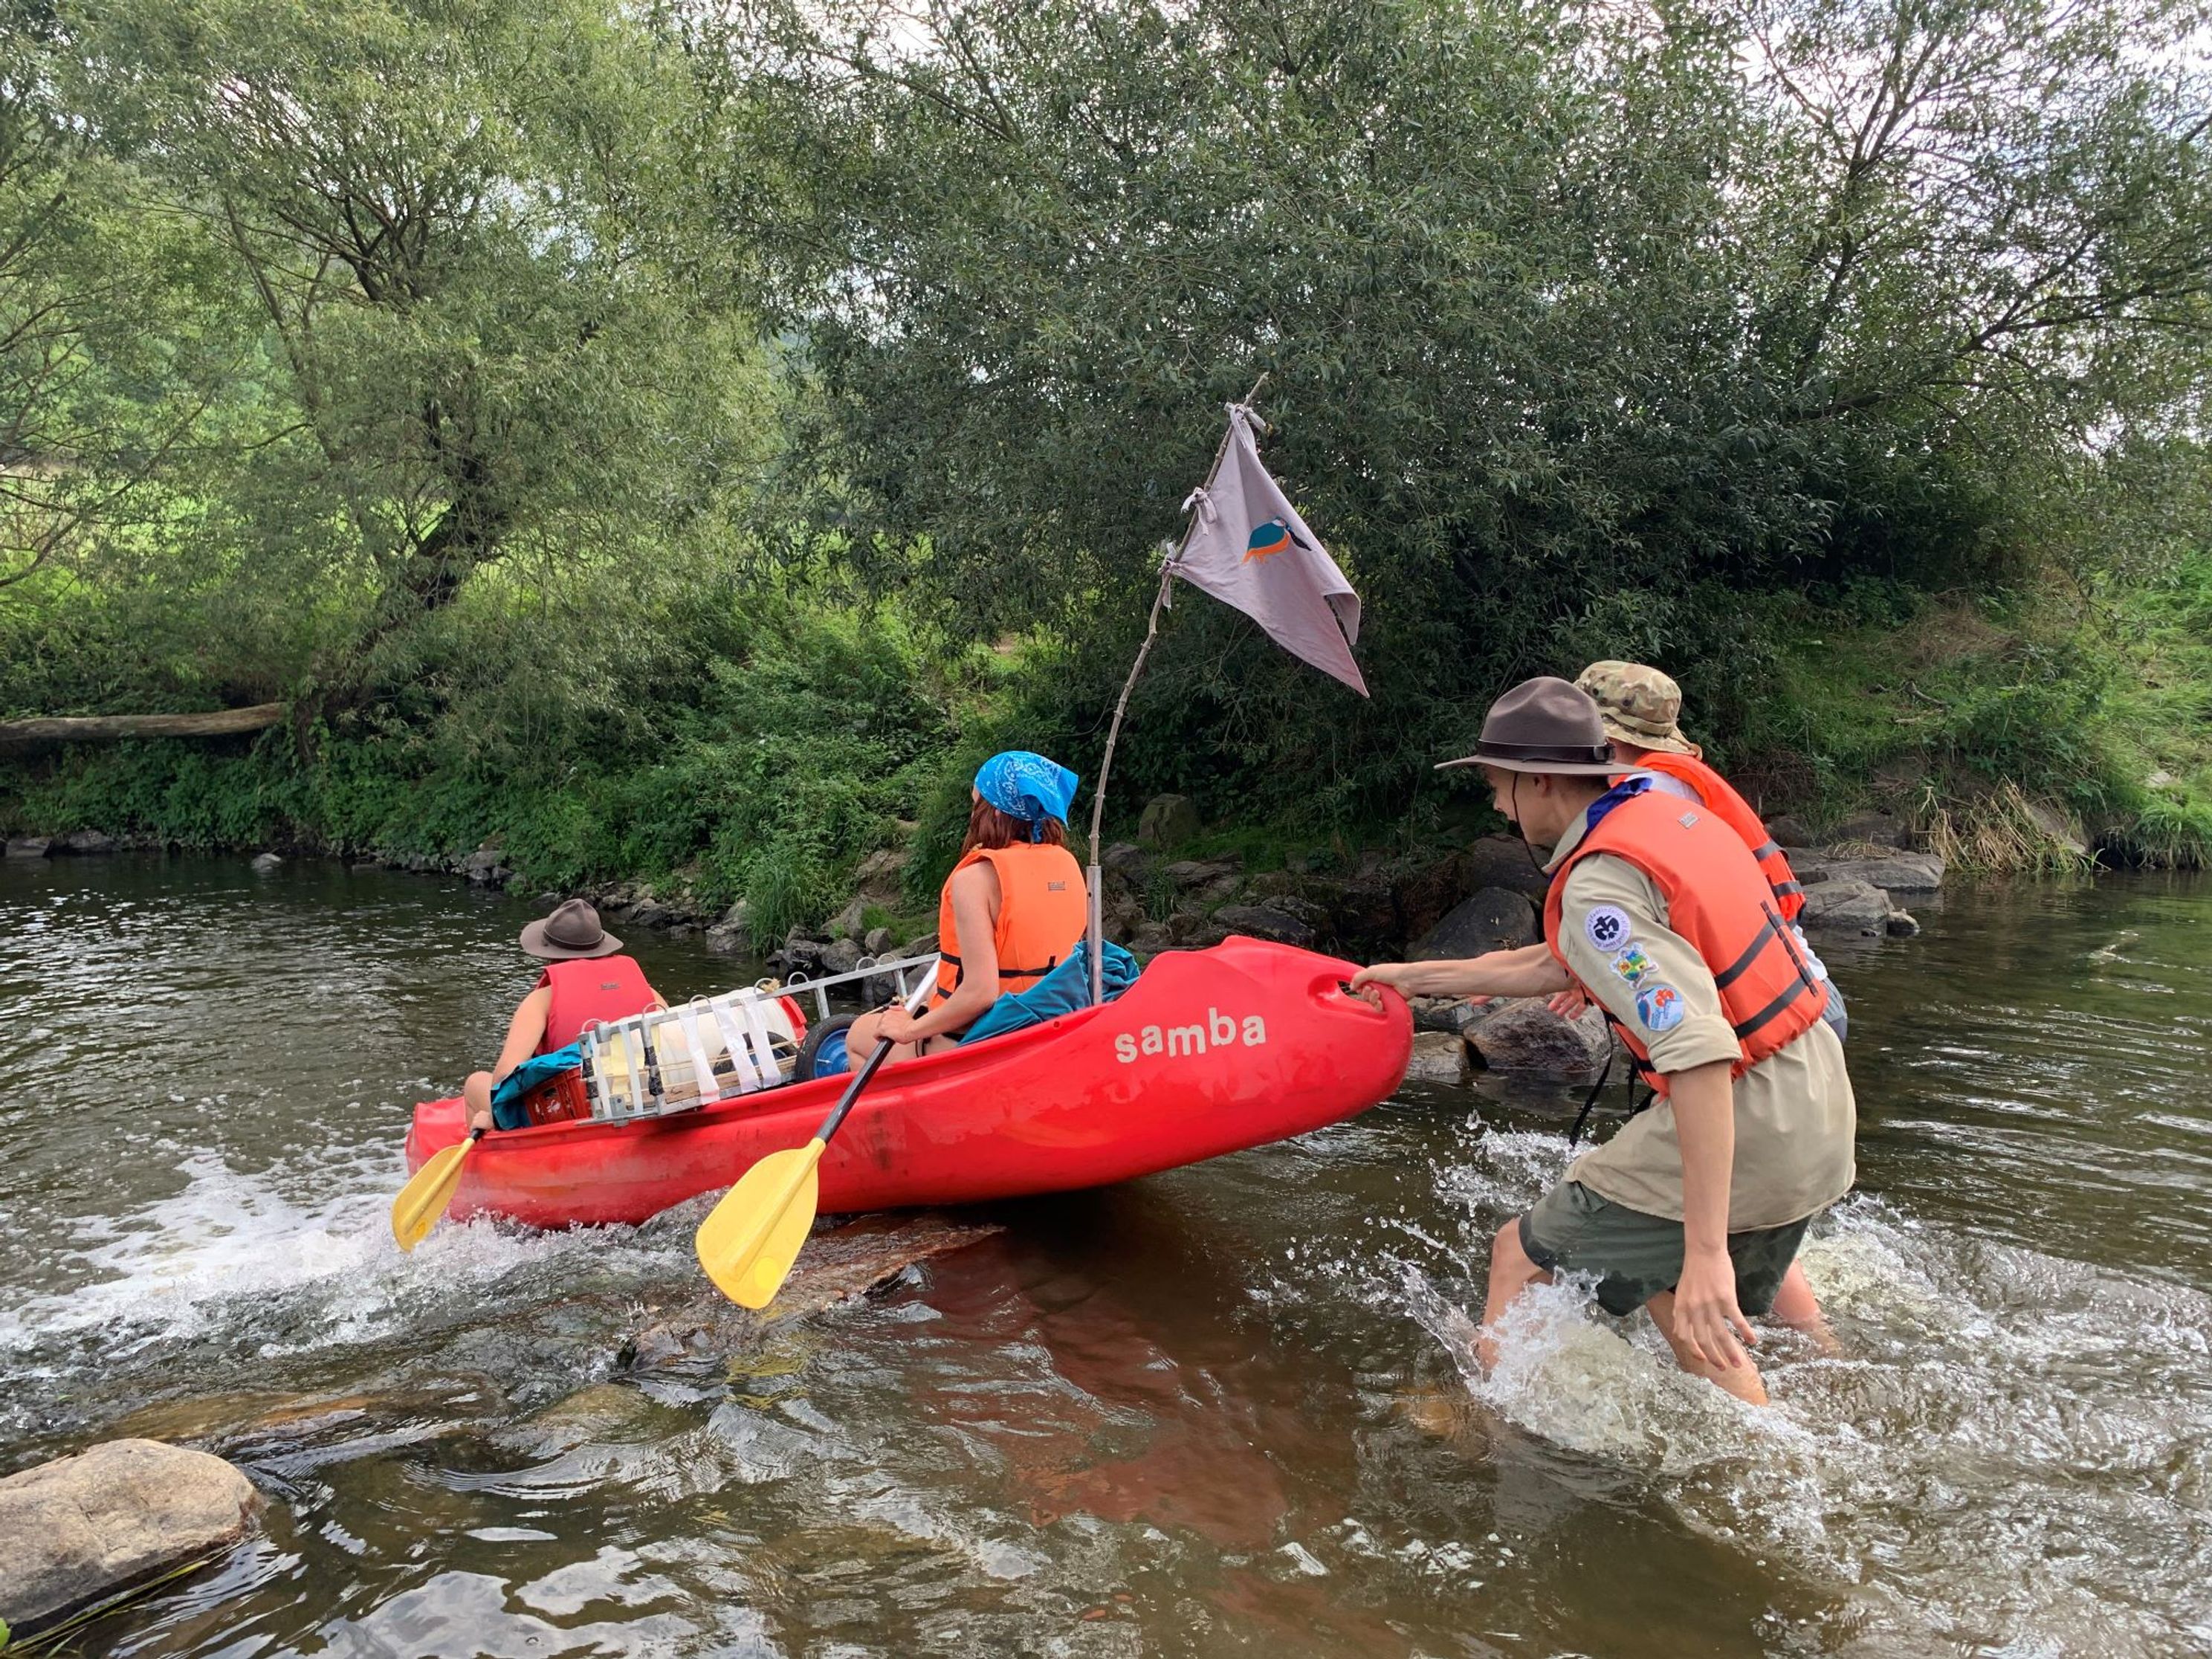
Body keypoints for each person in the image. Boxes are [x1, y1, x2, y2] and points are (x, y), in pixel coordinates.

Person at [1353, 679, 1856, 1404]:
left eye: (1497, 785)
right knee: (1682, 1303)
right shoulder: (1663, 816)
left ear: (1538, 778)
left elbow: (1699, 1050)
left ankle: (1484, 1429)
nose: (1497, 805)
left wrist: (1708, 1249)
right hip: (1818, 1099)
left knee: (1517, 1256)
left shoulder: (1598, 888)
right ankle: (1778, 1473)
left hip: (1755, 1112)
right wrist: (1409, 978)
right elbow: (1557, 960)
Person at [1574, 661, 1844, 1043]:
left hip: (1782, 1021)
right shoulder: (1673, 783)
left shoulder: (1644, 798)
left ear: (1606, 740)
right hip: (1808, 998)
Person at [845, 751, 1088, 1065]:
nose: (973, 815)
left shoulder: (975, 879)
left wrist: (910, 1029)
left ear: (997, 813)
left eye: (977, 804)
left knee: (857, 1037)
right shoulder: (1066, 864)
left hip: (981, 1038)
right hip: (1046, 1026)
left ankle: (916, 1108)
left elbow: (980, 994)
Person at [462, 899, 663, 1132]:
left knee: (475, 1082)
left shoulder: (542, 1000)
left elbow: (505, 1076)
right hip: (638, 1097)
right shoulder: (648, 992)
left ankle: (489, 1154)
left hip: (565, 1109)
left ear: (550, 954)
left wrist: (494, 1118)